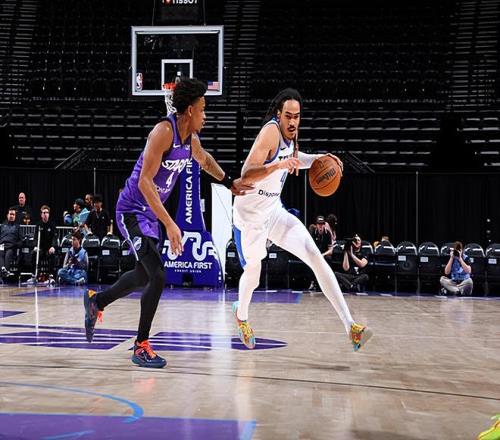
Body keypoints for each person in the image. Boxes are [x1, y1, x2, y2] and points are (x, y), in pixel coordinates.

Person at [83, 77, 252, 368]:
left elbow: (205, 160)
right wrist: (171, 224)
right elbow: (145, 182)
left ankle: (97, 301)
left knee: (143, 276)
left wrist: (229, 183)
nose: (205, 115)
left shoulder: (191, 140)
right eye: (203, 109)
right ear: (190, 110)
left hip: (150, 213)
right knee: (158, 275)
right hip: (132, 210)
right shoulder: (163, 132)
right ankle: (141, 345)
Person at [232, 88, 372, 351]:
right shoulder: (270, 132)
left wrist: (322, 159)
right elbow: (246, 173)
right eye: (288, 116)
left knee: (315, 256)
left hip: (273, 210)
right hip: (249, 217)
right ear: (279, 115)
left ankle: (351, 326)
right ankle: (242, 315)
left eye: (296, 116)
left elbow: (296, 159)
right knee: (254, 271)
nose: (292, 121)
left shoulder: (292, 137)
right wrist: (277, 166)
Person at [31, 205, 58, 284]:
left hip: (49, 249)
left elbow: (55, 238)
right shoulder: (38, 225)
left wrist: (53, 246)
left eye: (47, 212)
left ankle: (51, 276)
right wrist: (35, 246)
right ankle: (35, 275)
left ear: (49, 214)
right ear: (41, 214)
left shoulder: (52, 225)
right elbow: (35, 238)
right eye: (44, 212)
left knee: (53, 255)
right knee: (33, 253)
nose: (45, 214)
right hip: (40, 249)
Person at [308, 215, 333, 291]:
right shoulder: (313, 233)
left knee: (328, 259)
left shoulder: (328, 233)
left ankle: (327, 283)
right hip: (315, 254)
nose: (320, 226)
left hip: (324, 254)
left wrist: (323, 255)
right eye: (319, 224)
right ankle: (313, 282)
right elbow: (310, 247)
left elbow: (330, 250)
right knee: (311, 261)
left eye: (322, 224)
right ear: (316, 225)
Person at [0, 207, 23, 277]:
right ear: (7, 215)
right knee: (0, 253)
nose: (11, 216)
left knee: (8, 254)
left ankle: (4, 271)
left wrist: (16, 245)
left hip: (11, 247)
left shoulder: (17, 226)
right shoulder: (2, 225)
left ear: (15, 216)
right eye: (10, 214)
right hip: (2, 245)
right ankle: (4, 270)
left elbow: (21, 240)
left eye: (13, 214)